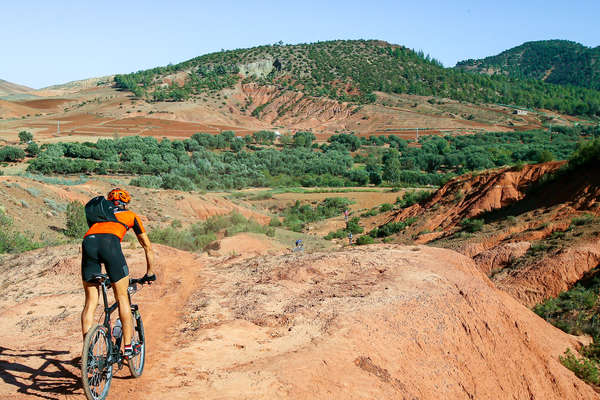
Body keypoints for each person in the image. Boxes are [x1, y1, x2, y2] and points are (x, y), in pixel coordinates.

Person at [80, 188, 155, 359]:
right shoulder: (130, 216)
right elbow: (147, 247)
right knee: (122, 298)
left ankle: (87, 352)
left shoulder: (100, 216)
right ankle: (128, 347)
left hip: (88, 243)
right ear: (126, 203)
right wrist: (150, 272)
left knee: (91, 301)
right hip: (110, 245)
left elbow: (97, 234)